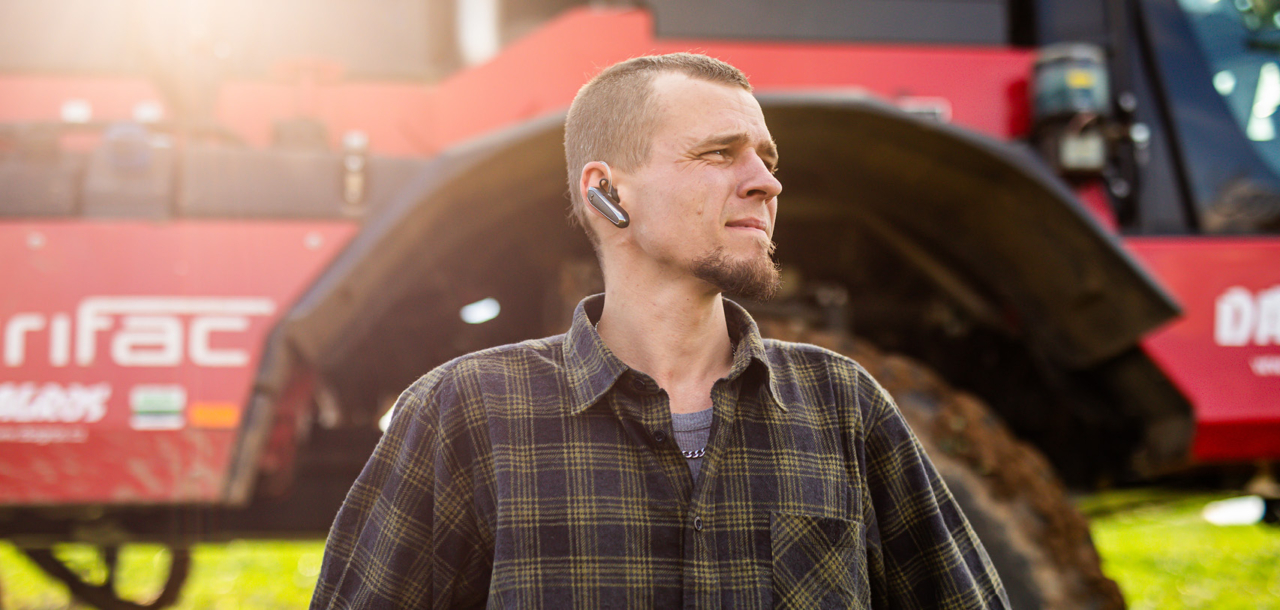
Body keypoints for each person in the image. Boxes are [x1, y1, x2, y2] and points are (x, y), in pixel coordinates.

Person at [311, 52, 1008, 609]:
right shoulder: (467, 413)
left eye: (768, 158)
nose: (766, 183)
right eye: (718, 154)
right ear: (606, 192)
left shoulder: (843, 407)